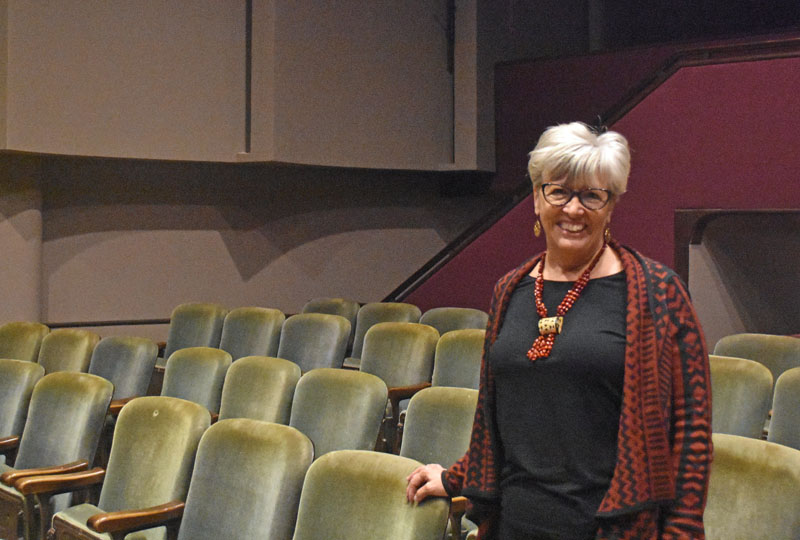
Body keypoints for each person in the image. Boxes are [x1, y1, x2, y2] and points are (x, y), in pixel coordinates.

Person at [406, 122, 712, 539]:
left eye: (592, 194)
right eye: (559, 191)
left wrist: (681, 533)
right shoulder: (509, 290)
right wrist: (457, 476)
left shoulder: (660, 293)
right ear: (536, 199)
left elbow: (691, 435)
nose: (573, 209)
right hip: (515, 524)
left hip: (610, 528)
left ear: (611, 206)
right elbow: (503, 419)